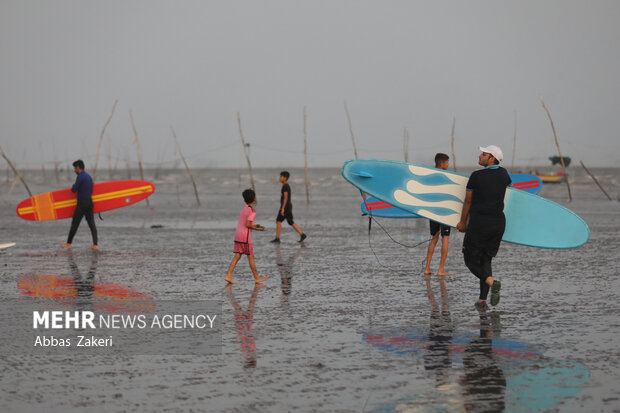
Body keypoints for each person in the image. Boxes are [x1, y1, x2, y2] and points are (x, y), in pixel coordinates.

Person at [456, 146, 511, 308]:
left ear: (492, 158)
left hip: (480, 223)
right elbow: (508, 188)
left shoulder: (476, 176)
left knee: (469, 259)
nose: (480, 156)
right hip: (498, 223)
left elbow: (468, 201)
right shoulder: (504, 174)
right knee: (486, 260)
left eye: (484, 154)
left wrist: (462, 222)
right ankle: (482, 300)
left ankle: (491, 282)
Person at [225, 189, 269, 284]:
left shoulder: (245, 208)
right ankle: (257, 277)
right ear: (254, 199)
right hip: (245, 237)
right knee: (251, 257)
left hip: (238, 235)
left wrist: (255, 226)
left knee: (237, 256)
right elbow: (248, 225)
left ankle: (228, 275)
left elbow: (247, 222)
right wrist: (259, 229)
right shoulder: (252, 211)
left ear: (245, 200)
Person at [60, 160, 98, 250]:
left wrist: (73, 186)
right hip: (89, 202)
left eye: (74, 168)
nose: (74, 170)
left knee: (75, 223)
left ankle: (68, 243)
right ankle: (95, 245)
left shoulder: (80, 177)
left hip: (82, 203)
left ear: (78, 168)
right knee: (91, 223)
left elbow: (74, 190)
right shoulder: (89, 177)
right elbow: (91, 190)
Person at [424, 153, 452, 276]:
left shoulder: (430, 175)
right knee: (445, 238)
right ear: (441, 163)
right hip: (444, 211)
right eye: (447, 162)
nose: (448, 164)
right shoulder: (446, 176)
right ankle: (441, 270)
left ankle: (427, 268)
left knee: (434, 238)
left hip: (433, 211)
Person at [270, 171, 306, 243]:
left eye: (281, 177)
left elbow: (286, 198)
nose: (279, 178)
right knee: (290, 221)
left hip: (286, 207)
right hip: (288, 206)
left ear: (285, 178)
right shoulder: (285, 186)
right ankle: (302, 234)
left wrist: (283, 208)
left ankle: (277, 238)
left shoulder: (285, 186)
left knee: (278, 221)